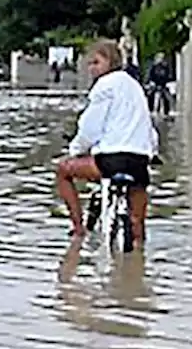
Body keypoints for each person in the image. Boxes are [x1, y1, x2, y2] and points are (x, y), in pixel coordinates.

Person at [55, 39, 159, 244]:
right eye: (90, 63)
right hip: (140, 160)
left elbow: (90, 129)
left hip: (110, 160)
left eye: (96, 62)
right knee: (138, 225)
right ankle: (137, 259)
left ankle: (78, 229)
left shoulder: (104, 86)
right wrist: (152, 151)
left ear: (110, 62)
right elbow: (148, 126)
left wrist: (74, 151)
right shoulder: (135, 86)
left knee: (62, 171)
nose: (91, 68)